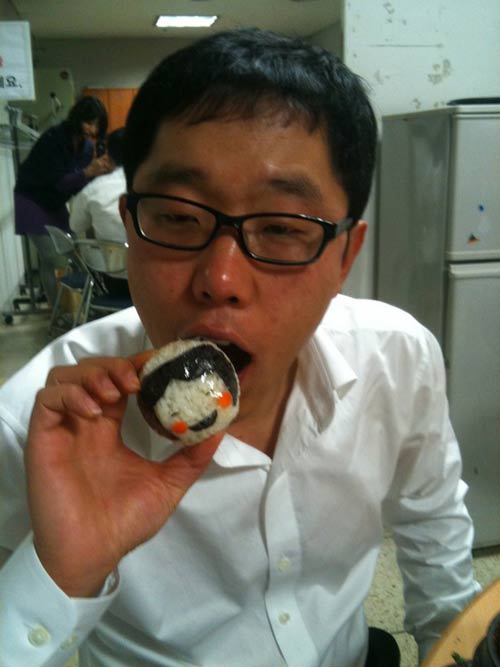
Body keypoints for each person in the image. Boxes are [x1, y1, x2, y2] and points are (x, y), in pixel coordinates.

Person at [0, 28, 480, 667]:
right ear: (131, 227)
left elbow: (433, 526)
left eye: (282, 227)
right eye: (177, 217)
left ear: (345, 257)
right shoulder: (33, 427)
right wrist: (59, 577)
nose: (220, 279)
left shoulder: (397, 359)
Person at [14, 95, 113, 305]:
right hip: (32, 199)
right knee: (52, 257)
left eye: (97, 124)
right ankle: (58, 309)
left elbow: (76, 185)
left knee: (71, 255)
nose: (92, 129)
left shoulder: (87, 148)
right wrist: (88, 172)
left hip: (55, 203)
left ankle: (70, 306)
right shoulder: (54, 139)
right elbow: (58, 181)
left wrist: (97, 177)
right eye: (89, 122)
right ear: (77, 118)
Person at [69, 127, 127, 244]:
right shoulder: (156, 182)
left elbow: (75, 226)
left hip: (110, 255)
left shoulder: (92, 190)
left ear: (108, 155)